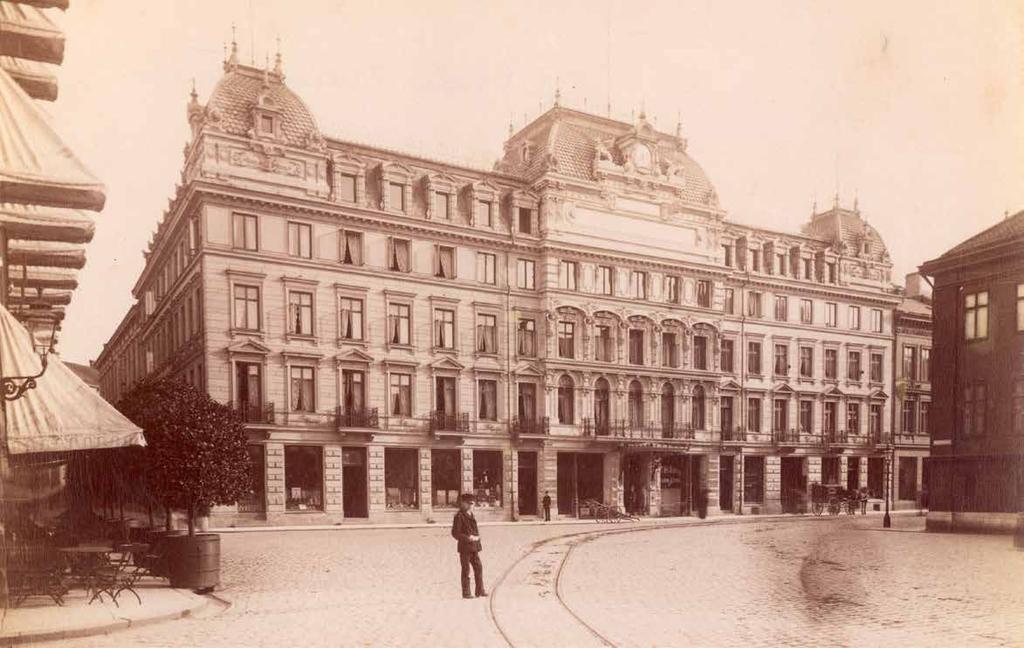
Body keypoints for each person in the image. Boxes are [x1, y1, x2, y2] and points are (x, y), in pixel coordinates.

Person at [451, 493, 486, 599]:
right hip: (465, 548)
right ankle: (466, 593)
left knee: (478, 568)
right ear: (463, 503)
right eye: (469, 503)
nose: (471, 506)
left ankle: (479, 591)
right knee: (466, 570)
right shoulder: (459, 516)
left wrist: (477, 539)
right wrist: (468, 538)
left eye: (472, 504)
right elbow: (455, 533)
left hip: (474, 547)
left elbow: (474, 530)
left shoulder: (471, 514)